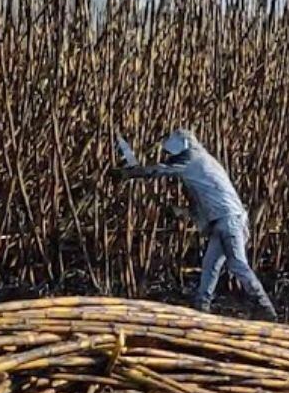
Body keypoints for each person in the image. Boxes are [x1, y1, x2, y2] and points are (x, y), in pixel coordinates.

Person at [115, 129, 277, 318]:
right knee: (210, 266)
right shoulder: (202, 162)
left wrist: (130, 173)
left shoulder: (192, 158)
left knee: (237, 264)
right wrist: (180, 211)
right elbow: (201, 201)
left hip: (229, 220)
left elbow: (159, 170)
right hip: (222, 221)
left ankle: (265, 308)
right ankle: (202, 308)